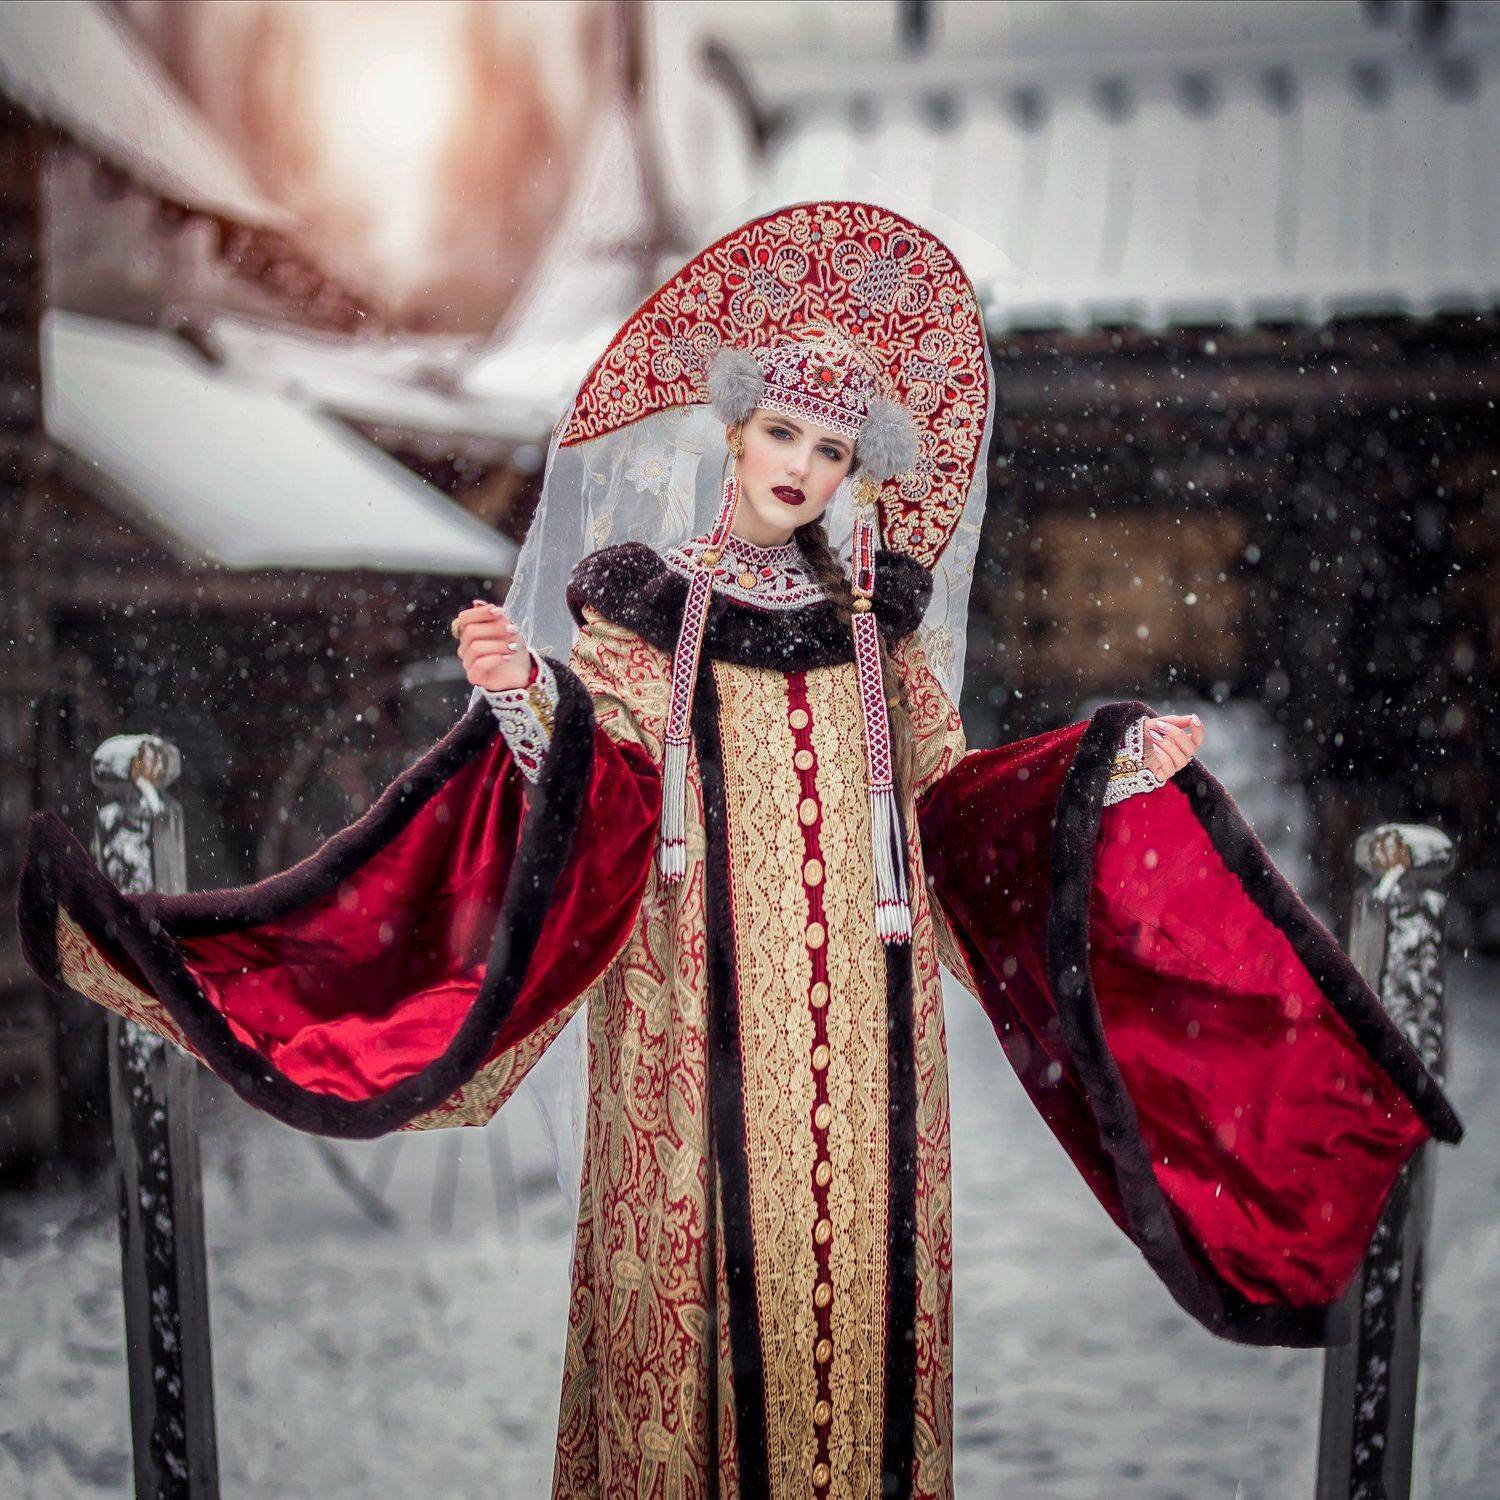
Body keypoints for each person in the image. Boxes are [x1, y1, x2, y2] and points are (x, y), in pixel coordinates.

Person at [17, 201, 1462, 1500]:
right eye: (783, 435)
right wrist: (525, 700)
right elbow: (604, 784)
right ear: (734, 432)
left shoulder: (878, 636)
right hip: (689, 1039)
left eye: (832, 451)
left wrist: (1097, 771)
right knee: (697, 1329)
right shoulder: (649, 614)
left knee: (848, 1325)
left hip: (866, 1071)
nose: (802, 468)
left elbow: (950, 810)